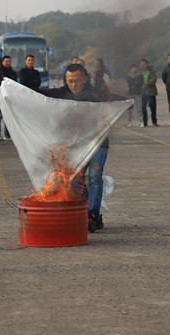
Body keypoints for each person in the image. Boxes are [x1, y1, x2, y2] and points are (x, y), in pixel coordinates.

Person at [41, 63, 124, 232]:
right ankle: (83, 212)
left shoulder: (97, 94)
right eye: (70, 81)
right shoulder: (60, 95)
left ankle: (92, 214)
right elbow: (38, 95)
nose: (74, 85)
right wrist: (14, 88)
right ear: (66, 80)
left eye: (77, 81)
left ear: (85, 79)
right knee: (75, 179)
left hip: (98, 142)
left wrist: (127, 102)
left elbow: (117, 99)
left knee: (95, 176)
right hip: (75, 145)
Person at [140, 59, 158, 127]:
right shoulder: (139, 72)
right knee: (143, 108)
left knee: (153, 108)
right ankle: (145, 122)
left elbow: (154, 79)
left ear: (147, 65)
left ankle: (154, 121)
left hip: (151, 92)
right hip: (142, 93)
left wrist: (147, 85)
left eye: (144, 64)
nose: (143, 66)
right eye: (141, 64)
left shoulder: (151, 71)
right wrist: (141, 86)